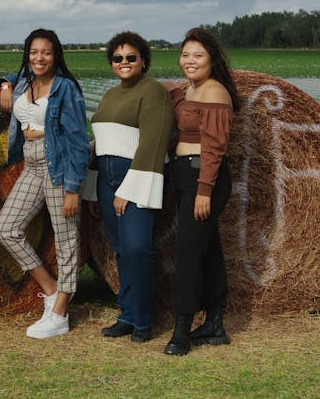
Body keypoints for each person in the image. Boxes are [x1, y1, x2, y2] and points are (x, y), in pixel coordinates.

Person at [0, 28, 89, 339]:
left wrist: (74, 187)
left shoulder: (66, 89)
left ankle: (60, 312)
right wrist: (5, 83)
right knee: (6, 228)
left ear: (55, 54)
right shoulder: (25, 80)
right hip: (31, 166)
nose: (39, 58)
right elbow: (14, 74)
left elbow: (76, 140)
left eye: (46, 52)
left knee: (66, 241)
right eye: (34, 52)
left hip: (58, 167)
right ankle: (50, 289)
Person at [84, 31, 173, 343]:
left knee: (138, 248)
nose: (124, 62)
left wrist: (127, 189)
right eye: (118, 58)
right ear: (112, 63)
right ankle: (127, 314)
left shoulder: (153, 92)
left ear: (143, 60)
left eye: (130, 57)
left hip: (135, 174)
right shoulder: (109, 95)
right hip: (107, 177)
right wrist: (94, 189)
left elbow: (153, 143)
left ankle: (144, 320)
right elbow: (101, 145)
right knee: (121, 250)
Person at [163, 27, 238, 356]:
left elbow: (214, 147)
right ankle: (215, 324)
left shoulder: (214, 93)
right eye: (185, 54)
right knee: (207, 249)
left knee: (188, 252)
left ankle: (182, 329)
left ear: (212, 59)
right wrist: (173, 93)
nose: (189, 61)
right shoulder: (192, 91)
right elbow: (178, 101)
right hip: (187, 177)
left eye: (198, 55)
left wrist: (204, 191)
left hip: (203, 179)